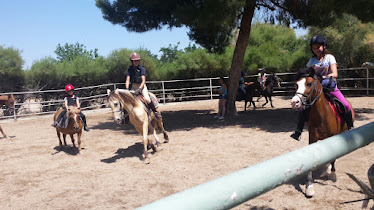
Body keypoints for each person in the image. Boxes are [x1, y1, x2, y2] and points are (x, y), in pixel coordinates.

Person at [290, 35, 353, 140]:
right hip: (316, 88)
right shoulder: (312, 61)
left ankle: (350, 127)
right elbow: (307, 73)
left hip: (330, 86)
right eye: (314, 48)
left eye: (318, 47)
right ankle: (298, 131)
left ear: (324, 47)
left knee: (346, 105)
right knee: (303, 108)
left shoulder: (330, 58)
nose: (316, 50)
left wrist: (322, 78)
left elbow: (335, 74)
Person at [125, 52, 162, 118]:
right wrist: (127, 89)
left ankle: (155, 112)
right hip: (133, 86)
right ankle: (126, 116)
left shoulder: (141, 68)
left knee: (147, 99)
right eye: (134, 61)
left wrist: (139, 89)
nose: (136, 62)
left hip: (142, 86)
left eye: (137, 60)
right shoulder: (129, 69)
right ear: (132, 61)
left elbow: (143, 80)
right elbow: (127, 80)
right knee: (127, 100)